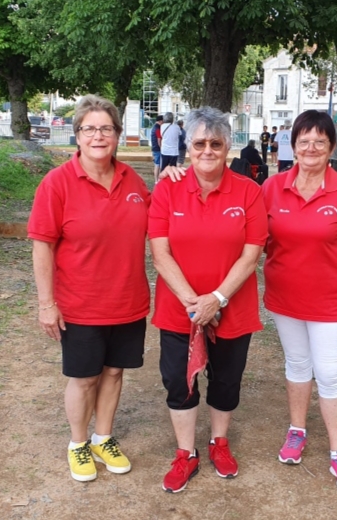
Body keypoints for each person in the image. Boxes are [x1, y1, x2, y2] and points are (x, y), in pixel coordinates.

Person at [28, 95, 183, 484]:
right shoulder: (57, 183)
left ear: (117, 135)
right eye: (90, 129)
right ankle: (78, 443)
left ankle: (103, 437)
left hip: (128, 301)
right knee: (84, 377)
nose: (99, 136)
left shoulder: (132, 180)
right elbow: (42, 245)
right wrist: (47, 304)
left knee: (114, 372)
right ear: (77, 135)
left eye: (106, 128)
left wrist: (170, 183)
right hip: (80, 304)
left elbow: (157, 219)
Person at [148, 106, 268, 493]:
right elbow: (159, 252)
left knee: (226, 379)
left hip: (232, 306)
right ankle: (186, 453)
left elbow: (252, 254)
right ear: (187, 148)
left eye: (216, 143)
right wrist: (193, 302)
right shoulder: (167, 187)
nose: (207, 150)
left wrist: (216, 298)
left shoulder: (249, 191)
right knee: (177, 382)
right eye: (199, 143)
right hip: (178, 308)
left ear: (228, 147)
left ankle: (219, 442)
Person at [261, 109, 337, 493]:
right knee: (297, 364)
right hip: (285, 296)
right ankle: (297, 431)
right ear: (292, 145)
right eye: (303, 140)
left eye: (320, 141)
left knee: (328, 372)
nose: (311, 147)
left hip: (330, 300)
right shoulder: (272, 187)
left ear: (332, 148)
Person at [151, 115, 164, 183]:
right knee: (157, 165)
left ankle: (156, 180)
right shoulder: (158, 128)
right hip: (158, 149)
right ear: (160, 121)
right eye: (163, 121)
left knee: (157, 164)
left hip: (154, 148)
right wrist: (161, 148)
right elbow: (159, 140)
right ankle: (156, 180)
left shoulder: (153, 127)